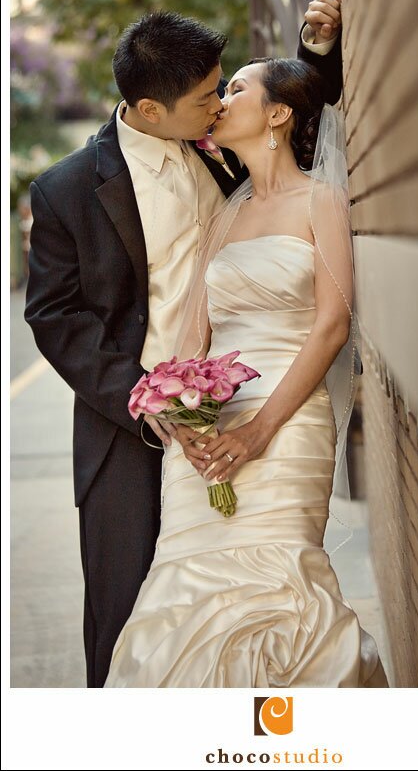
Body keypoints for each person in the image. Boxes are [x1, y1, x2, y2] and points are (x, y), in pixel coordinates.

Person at [24, 0, 346, 688]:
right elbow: (54, 316)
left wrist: (319, 53)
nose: (219, 106)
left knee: (247, 605)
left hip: (248, 407)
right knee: (137, 626)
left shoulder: (223, 150)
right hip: (128, 427)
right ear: (148, 111)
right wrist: (144, 402)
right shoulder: (65, 190)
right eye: (206, 97)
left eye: (222, 91)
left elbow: (298, 130)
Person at [104, 56, 387, 687]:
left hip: (286, 426)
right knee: (182, 592)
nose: (220, 100)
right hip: (206, 440)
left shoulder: (323, 201)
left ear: (279, 114)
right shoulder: (222, 216)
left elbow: (330, 327)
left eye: (234, 89)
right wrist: (176, 416)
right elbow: (191, 337)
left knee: (278, 588)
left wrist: (258, 431)